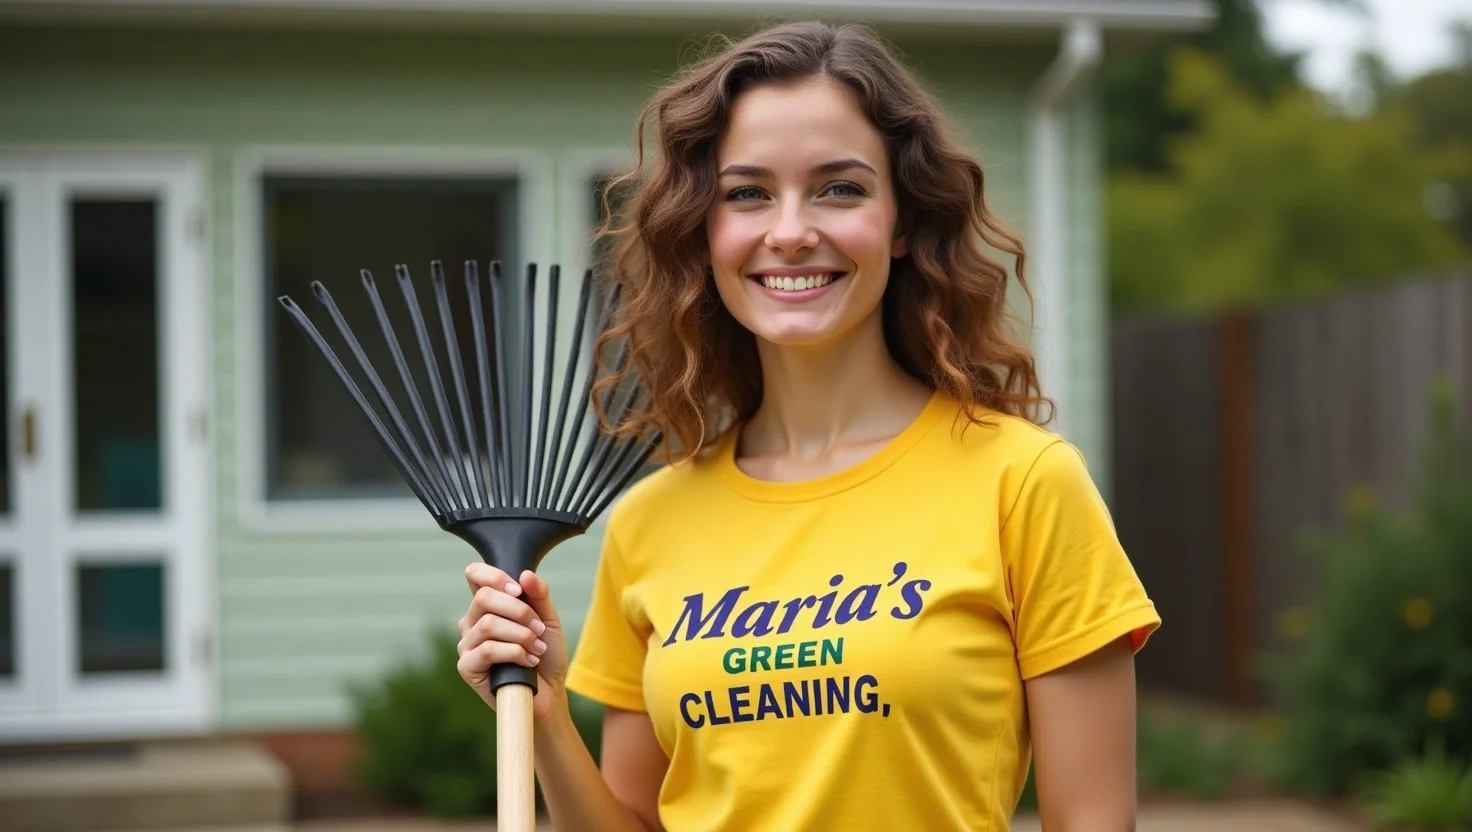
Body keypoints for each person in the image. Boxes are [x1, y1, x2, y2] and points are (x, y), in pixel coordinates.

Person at [456, 19, 1159, 832]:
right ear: (705, 232)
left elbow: (1094, 821)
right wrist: (541, 720)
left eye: (840, 188)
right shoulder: (650, 520)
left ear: (901, 225)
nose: (790, 231)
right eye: (747, 193)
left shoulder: (1023, 484)